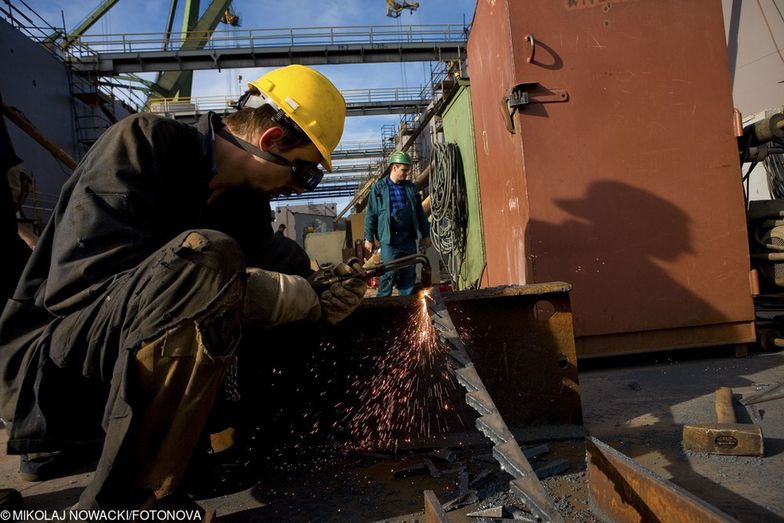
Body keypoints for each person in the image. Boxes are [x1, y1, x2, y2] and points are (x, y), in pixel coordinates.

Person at [0, 64, 366, 512]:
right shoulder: (142, 143)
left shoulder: (243, 205)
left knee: (256, 277)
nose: (296, 188)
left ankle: (228, 442)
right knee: (208, 259)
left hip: (120, 365)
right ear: (271, 141)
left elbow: (279, 265)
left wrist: (322, 289)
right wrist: (255, 292)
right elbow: (79, 289)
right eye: (304, 173)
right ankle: (130, 503)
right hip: (55, 370)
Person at [364, 151, 431, 296]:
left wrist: (426, 235)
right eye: (404, 170)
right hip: (389, 240)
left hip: (407, 238)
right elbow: (371, 214)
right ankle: (384, 305)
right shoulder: (379, 188)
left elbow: (420, 213)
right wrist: (368, 237)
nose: (406, 173)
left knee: (408, 275)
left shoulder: (410, 188)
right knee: (388, 275)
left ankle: (406, 308)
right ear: (394, 168)